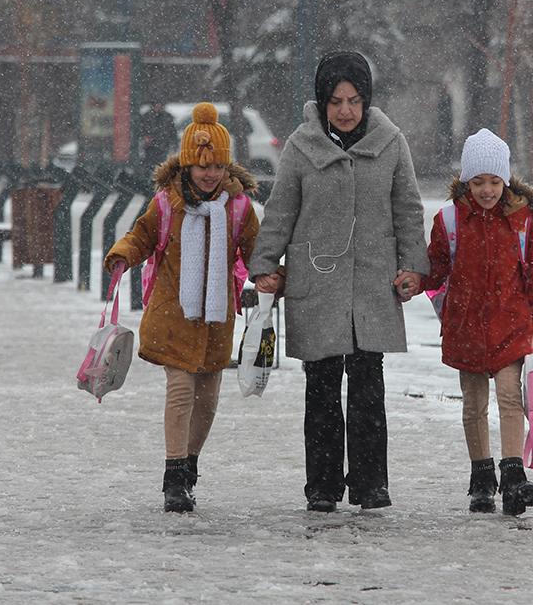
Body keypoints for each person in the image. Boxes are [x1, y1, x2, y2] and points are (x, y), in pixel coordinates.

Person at [250, 51, 428, 513]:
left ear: (366, 100)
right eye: (335, 101)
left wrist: (413, 265)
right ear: (322, 102)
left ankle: (371, 484)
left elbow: (408, 209)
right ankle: (323, 485)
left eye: (353, 100)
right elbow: (280, 211)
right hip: (318, 283)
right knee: (322, 387)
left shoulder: (391, 143)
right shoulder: (301, 147)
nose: (345, 110)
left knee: (368, 384)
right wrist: (265, 264)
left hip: (373, 284)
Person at [104, 102, 260, 513]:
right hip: (173, 314)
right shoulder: (166, 204)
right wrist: (122, 254)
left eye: (218, 167)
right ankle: (174, 477)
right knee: (180, 390)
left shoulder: (238, 208)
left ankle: (189, 465)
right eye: (202, 166)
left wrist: (271, 275)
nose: (210, 174)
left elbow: (255, 251)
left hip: (216, 318)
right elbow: (140, 236)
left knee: (207, 400)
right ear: (187, 164)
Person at [421, 129, 533, 516]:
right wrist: (412, 279)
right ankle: (481, 478)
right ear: (466, 181)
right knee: (474, 404)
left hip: (511, 326)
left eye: (494, 181)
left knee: (511, 397)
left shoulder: (524, 222)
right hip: (465, 328)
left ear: (505, 180)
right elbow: (435, 269)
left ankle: (512, 475)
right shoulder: (449, 221)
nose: (487, 190)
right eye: (478, 182)